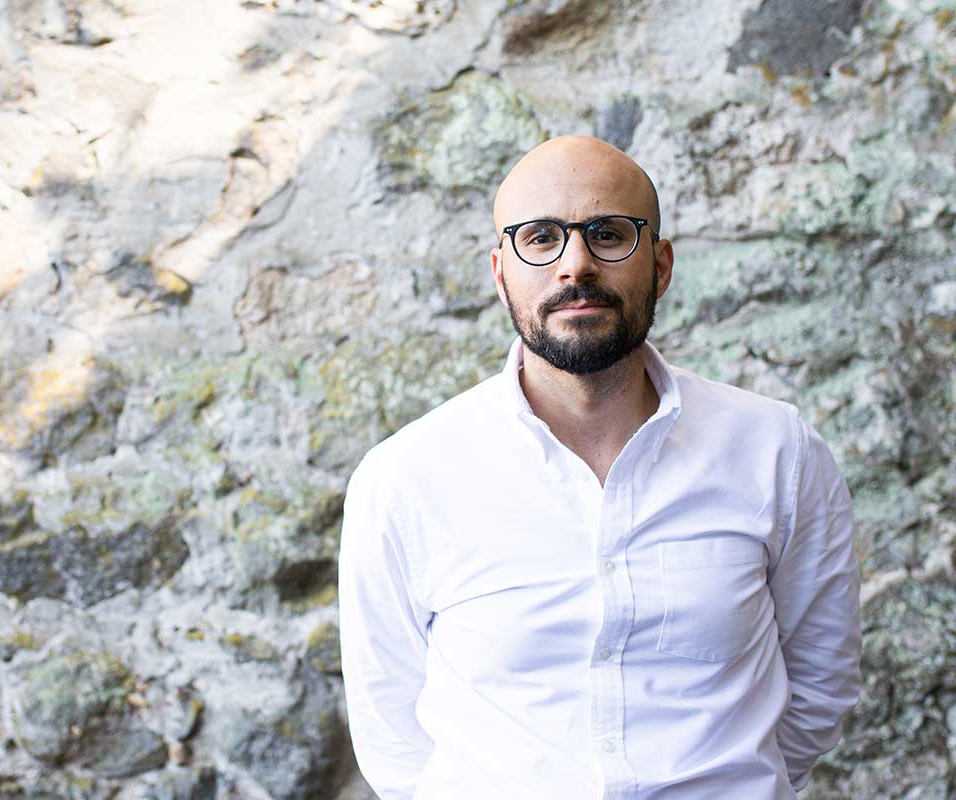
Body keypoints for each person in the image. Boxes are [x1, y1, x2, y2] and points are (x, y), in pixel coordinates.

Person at [337, 135, 862, 799]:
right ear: (502, 273)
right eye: (541, 238)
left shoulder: (776, 451)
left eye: (610, 234)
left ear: (661, 266)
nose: (575, 265)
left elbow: (820, 683)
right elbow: (394, 738)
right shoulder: (405, 479)